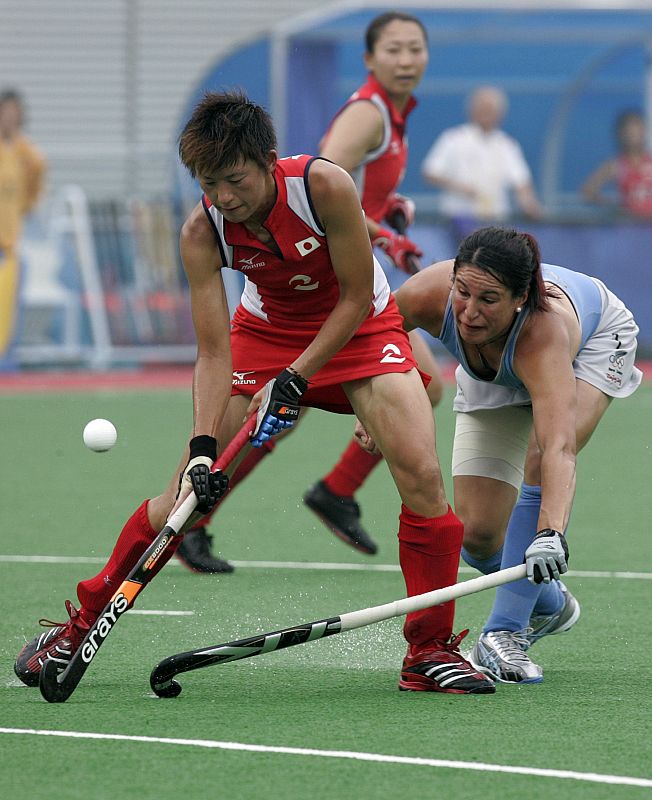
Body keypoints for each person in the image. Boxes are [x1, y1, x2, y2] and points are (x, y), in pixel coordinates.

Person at [15, 90, 494, 695]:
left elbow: (354, 297)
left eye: (235, 180)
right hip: (265, 334)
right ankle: (80, 625)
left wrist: (297, 376)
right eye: (208, 183)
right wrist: (201, 449)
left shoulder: (324, 187)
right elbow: (214, 352)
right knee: (183, 498)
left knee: (421, 477)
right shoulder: (202, 231)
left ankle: (429, 651)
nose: (224, 197)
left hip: (360, 328)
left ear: (268, 161)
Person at [182, 11, 444, 565]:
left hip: (345, 276)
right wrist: (383, 236)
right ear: (369, 59)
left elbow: (354, 197)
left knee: (295, 405)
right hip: (315, 280)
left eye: (415, 48)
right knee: (413, 386)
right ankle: (311, 494)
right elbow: (328, 184)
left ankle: (327, 492)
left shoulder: (394, 117)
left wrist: (387, 217)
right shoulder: (368, 115)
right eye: (393, 49)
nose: (406, 60)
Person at [367, 226, 641, 683]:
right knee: (477, 536)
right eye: (463, 292)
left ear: (520, 298)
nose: (470, 312)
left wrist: (550, 532)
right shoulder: (428, 295)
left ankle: (504, 632)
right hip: (492, 364)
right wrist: (373, 402)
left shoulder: (544, 332)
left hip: (594, 344)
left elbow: (557, 447)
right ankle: (549, 602)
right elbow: (374, 339)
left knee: (538, 455)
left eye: (489, 299)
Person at [421, 86, 542, 238]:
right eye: (482, 108)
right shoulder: (453, 139)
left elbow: (521, 182)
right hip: (459, 218)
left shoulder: (506, 144)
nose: (486, 114)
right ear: (471, 110)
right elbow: (430, 172)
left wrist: (529, 204)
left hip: (495, 219)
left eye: (490, 109)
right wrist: (460, 187)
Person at [0, 89, 47, 367]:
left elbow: (36, 178)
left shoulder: (25, 153)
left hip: (9, 246)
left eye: (14, 113)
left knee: (9, 312)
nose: (9, 118)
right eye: (5, 112)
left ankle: (7, 366)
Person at [581, 110, 652, 217]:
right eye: (630, 133)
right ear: (622, 135)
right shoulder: (616, 165)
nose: (634, 137)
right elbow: (587, 191)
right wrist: (611, 206)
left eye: (638, 132)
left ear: (644, 132)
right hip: (630, 223)